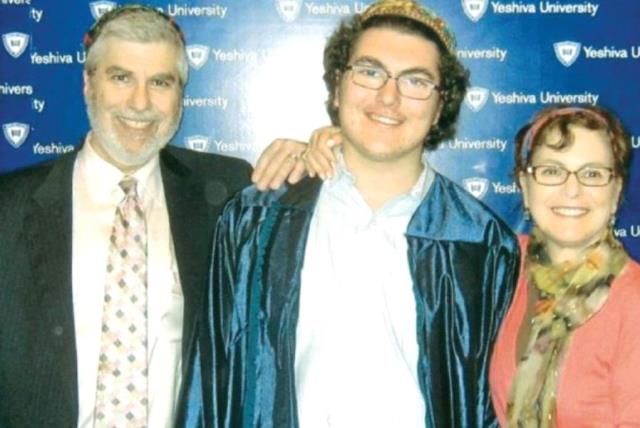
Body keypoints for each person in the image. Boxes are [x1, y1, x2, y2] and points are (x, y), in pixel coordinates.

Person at [199, 1, 520, 426]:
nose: (389, 97)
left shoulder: (480, 243)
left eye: (416, 81)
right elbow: (216, 382)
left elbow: (488, 406)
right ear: (337, 86)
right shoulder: (258, 220)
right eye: (370, 72)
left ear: (440, 107)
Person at [0, 5, 308, 427]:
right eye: (121, 77)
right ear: (88, 83)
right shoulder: (8, 209)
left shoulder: (228, 194)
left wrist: (327, 156)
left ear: (181, 93)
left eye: (160, 82)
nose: (140, 103)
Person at [489, 105, 640, 427]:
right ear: (525, 186)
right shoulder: (504, 269)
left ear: (616, 194)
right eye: (552, 171)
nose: (572, 190)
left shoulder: (634, 302)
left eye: (593, 174)